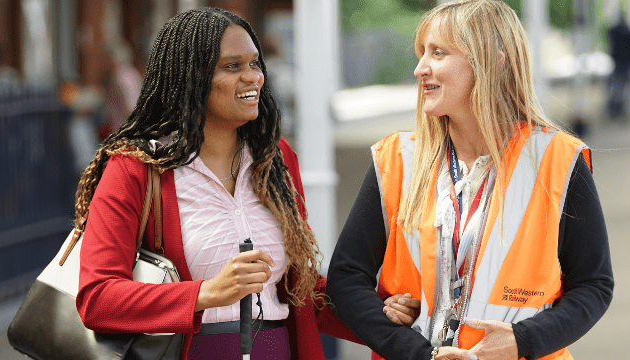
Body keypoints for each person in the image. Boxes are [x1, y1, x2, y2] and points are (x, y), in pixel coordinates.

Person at [72, 8, 410, 360]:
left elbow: (299, 291)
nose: (253, 78)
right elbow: (98, 298)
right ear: (189, 77)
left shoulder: (275, 159)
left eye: (254, 64)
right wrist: (205, 294)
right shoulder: (136, 169)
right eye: (232, 66)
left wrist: (378, 311)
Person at [326, 1, 614, 360]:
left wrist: (521, 340)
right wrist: (410, 346)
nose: (420, 69)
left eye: (439, 53)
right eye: (422, 53)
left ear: (491, 61)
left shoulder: (558, 160)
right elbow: (346, 278)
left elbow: (593, 285)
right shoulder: (396, 159)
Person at [606, 12, 630, 119]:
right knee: (622, 87)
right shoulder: (628, 32)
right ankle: (619, 108)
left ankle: (615, 108)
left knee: (616, 86)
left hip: (619, 62)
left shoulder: (614, 32)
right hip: (626, 63)